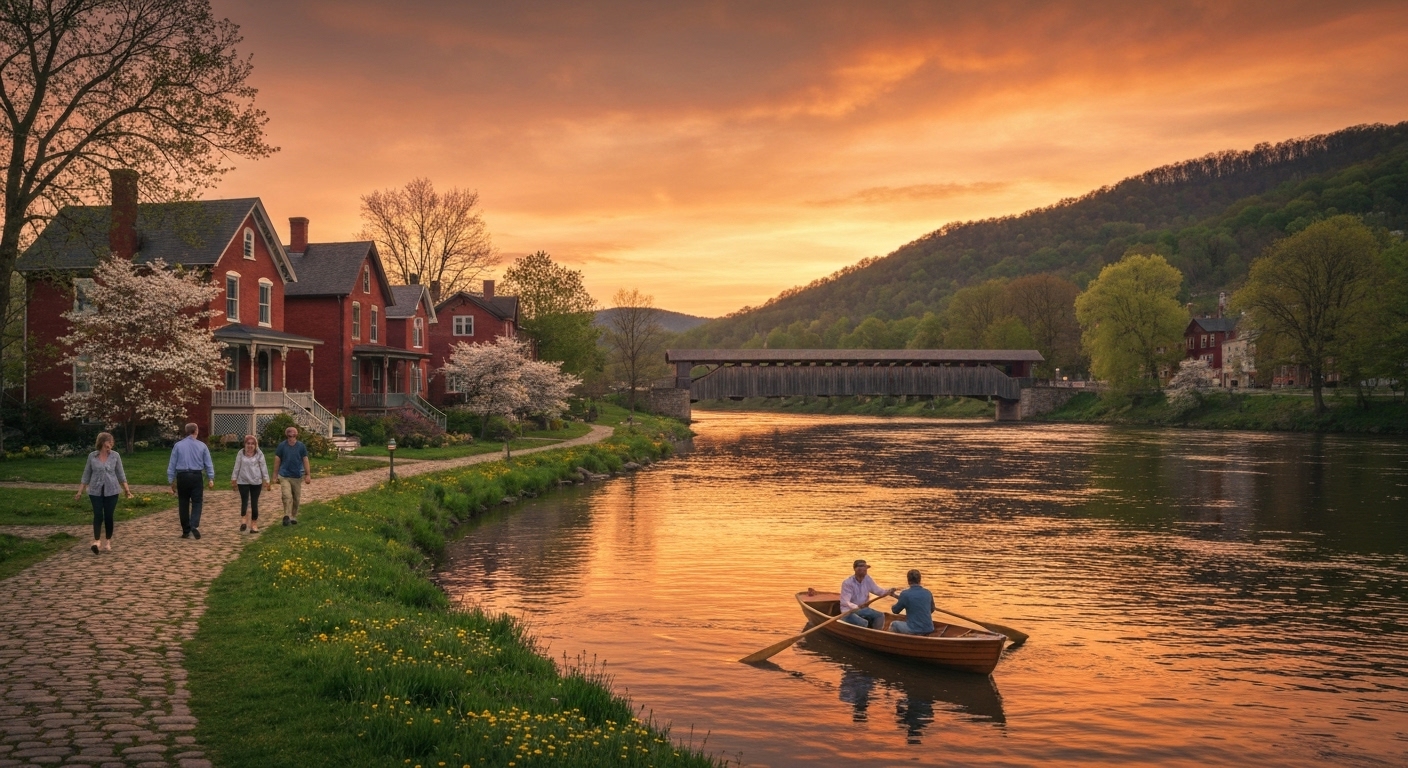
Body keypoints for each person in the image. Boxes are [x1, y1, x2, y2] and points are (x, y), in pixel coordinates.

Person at [75, 432, 133, 554]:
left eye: (112, 442)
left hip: (112, 491)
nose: (111, 444)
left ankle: (107, 541)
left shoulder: (115, 456)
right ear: (102, 442)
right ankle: (97, 541)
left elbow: (121, 474)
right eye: (108, 441)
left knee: (108, 516)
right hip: (95, 491)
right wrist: (79, 492)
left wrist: (127, 490)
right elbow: (86, 474)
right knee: (98, 515)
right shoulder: (92, 456)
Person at [167, 422, 215, 539]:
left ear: (186, 431)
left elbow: (172, 464)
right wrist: (210, 478)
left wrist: (171, 480)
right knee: (197, 502)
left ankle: (186, 530)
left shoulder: (178, 445)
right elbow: (208, 463)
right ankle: (194, 524)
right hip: (196, 476)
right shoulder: (202, 446)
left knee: (183, 503)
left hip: (182, 476)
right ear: (196, 431)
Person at [272, 426, 311, 526]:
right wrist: (275, 475)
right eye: (289, 433)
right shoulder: (282, 446)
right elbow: (277, 460)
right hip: (284, 475)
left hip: (297, 476)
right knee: (286, 495)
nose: (291, 435)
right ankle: (286, 516)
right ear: (286, 435)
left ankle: (293, 515)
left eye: (293, 433)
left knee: (296, 498)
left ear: (296, 435)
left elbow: (305, 460)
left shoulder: (301, 446)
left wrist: (308, 474)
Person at [840, 559, 895, 629]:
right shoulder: (847, 583)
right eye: (861, 567)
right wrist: (856, 607)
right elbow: (845, 602)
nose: (864, 570)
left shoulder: (867, 579)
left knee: (880, 615)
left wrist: (888, 592)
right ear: (855, 569)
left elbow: (877, 590)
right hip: (848, 611)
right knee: (863, 623)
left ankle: (876, 635)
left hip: (863, 609)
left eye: (865, 568)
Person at [231, 434, 270, 533]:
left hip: (256, 481)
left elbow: (263, 467)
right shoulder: (241, 453)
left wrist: (267, 480)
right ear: (245, 444)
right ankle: (244, 520)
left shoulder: (259, 454)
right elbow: (237, 466)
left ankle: (254, 524)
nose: (250, 445)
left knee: (254, 503)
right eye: (248, 443)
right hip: (243, 481)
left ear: (256, 445)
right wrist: (234, 479)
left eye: (252, 444)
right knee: (244, 501)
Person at [889, 569, 937, 636]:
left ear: (908, 581)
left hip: (914, 629)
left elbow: (895, 611)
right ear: (920, 580)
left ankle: (894, 643)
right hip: (929, 628)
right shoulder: (928, 593)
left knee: (894, 624)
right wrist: (894, 595)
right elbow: (932, 609)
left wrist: (892, 605)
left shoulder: (905, 594)